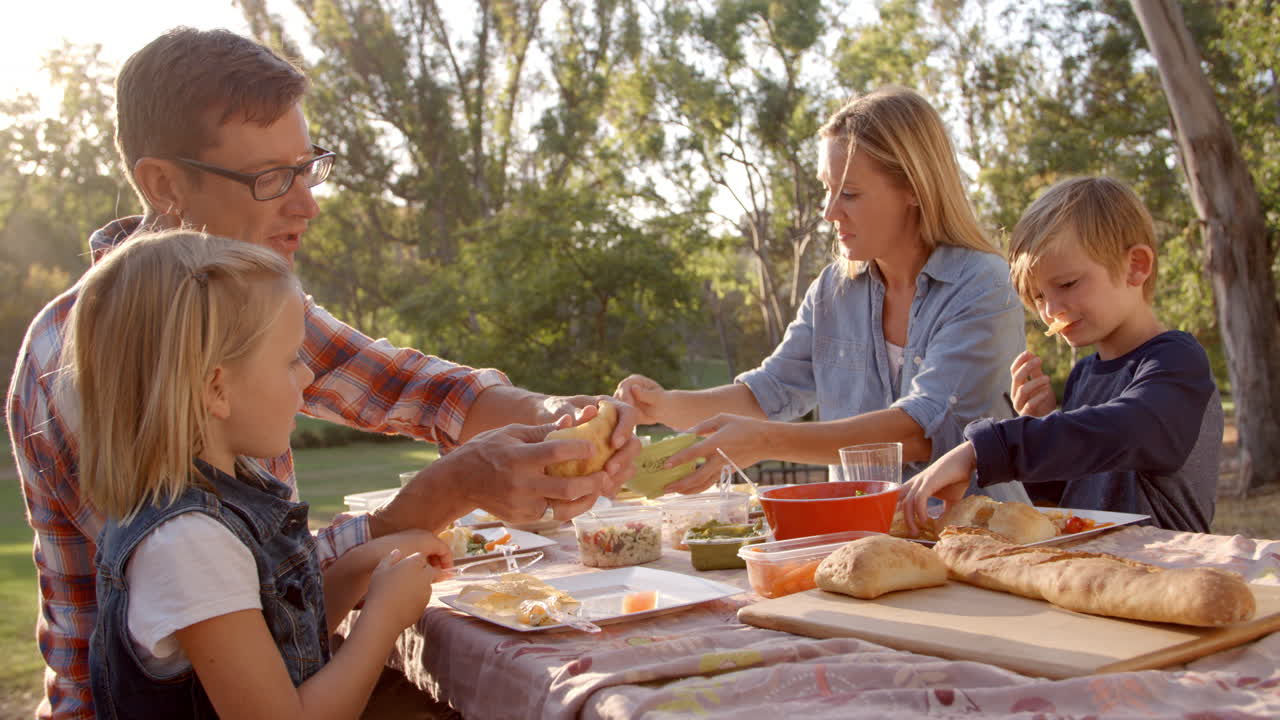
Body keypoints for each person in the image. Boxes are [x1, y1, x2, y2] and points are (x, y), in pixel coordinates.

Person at [6, 27, 638, 719]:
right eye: (271, 177)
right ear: (164, 184)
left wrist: (565, 423)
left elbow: (420, 389)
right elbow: (231, 604)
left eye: (308, 168)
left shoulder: (243, 298)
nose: (307, 204)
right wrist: (439, 496)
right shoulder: (89, 356)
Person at [65, 230, 455, 718]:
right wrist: (382, 620)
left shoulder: (224, 499)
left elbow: (278, 643)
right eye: (291, 359)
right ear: (217, 389)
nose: (308, 377)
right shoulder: (188, 543)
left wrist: (360, 570)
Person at [615, 86, 1026, 492]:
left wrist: (764, 440)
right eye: (827, 189)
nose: (830, 212)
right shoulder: (834, 290)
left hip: (977, 538)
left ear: (914, 190)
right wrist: (661, 404)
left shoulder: (983, 284)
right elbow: (769, 392)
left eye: (849, 193)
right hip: (858, 542)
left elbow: (922, 430)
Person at [901, 177, 1222, 534]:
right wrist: (1041, 420)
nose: (1051, 310)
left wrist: (986, 448)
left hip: (1168, 575)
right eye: (1038, 296)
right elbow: (1076, 492)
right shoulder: (1085, 375)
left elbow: (1126, 431)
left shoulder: (1177, 362)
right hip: (1092, 575)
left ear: (1136, 266)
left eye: (1067, 284)